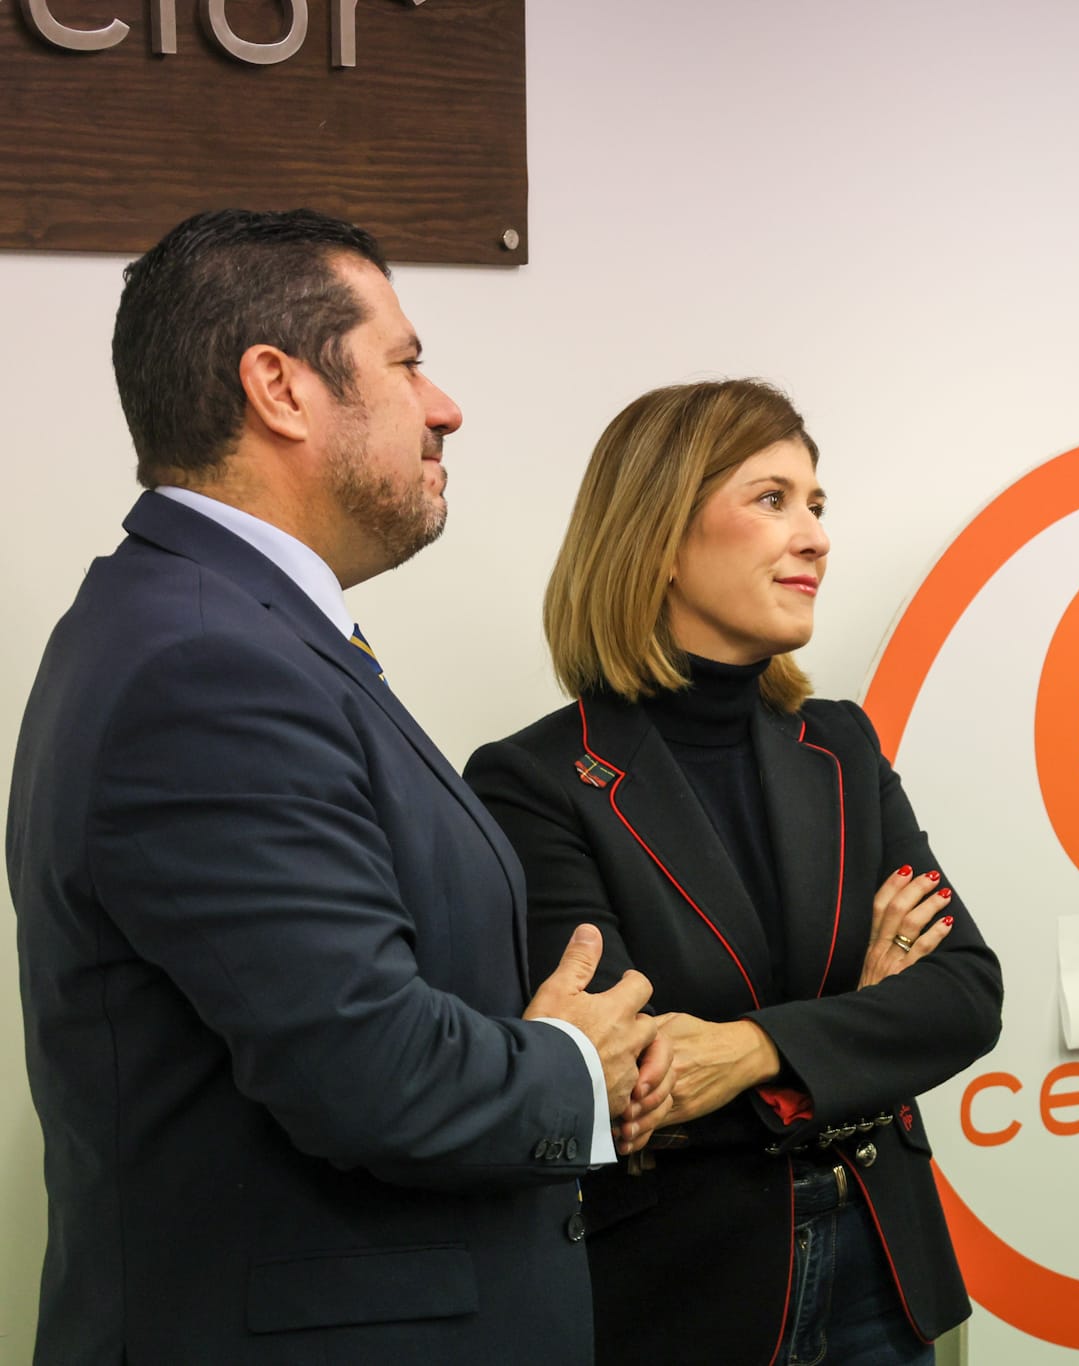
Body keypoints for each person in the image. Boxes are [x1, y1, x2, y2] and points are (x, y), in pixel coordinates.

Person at [7, 208, 679, 1365]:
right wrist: (574, 1068)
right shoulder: (204, 662)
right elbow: (372, 1074)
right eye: (406, 362)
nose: (443, 405)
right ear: (279, 387)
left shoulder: (218, 628)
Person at [464, 378, 1004, 1366]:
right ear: (660, 538)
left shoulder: (839, 744)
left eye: (816, 504)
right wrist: (857, 1023)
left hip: (882, 1279)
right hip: (691, 1301)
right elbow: (632, 1081)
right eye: (771, 499)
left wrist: (752, 1049)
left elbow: (964, 994)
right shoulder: (534, 781)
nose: (815, 536)